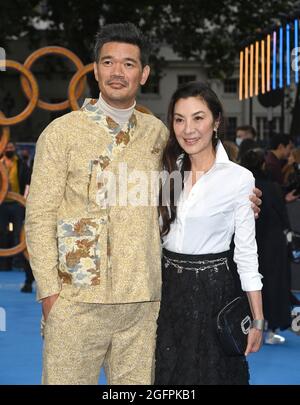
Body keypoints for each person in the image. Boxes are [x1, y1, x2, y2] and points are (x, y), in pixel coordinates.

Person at [25, 23, 262, 385]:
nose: (117, 72)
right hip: (76, 301)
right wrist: (51, 295)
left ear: (144, 73)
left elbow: (200, 180)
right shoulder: (61, 133)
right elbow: (39, 218)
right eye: (108, 62)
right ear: (95, 69)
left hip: (144, 305)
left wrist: (244, 198)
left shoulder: (161, 136)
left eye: (128, 64)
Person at [155, 82, 264, 385]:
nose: (188, 129)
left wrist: (257, 318)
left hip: (215, 292)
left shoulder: (239, 179)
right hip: (167, 292)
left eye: (198, 118)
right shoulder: (165, 170)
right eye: (179, 119)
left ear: (216, 122)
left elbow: (246, 253)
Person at [241, 148, 291, 344]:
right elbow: (282, 216)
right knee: (272, 285)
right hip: (271, 244)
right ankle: (270, 330)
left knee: (245, 285)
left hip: (247, 242)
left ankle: (247, 327)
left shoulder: (240, 187)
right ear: (263, 165)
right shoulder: (272, 187)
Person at [0, 142, 34, 292]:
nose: (9, 150)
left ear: (14, 150)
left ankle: (19, 263)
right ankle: (4, 264)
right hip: (2, 203)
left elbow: (29, 181)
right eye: (7, 148)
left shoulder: (20, 163)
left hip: (17, 204)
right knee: (2, 233)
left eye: (11, 148)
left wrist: (25, 199)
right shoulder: (0, 163)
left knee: (18, 235)